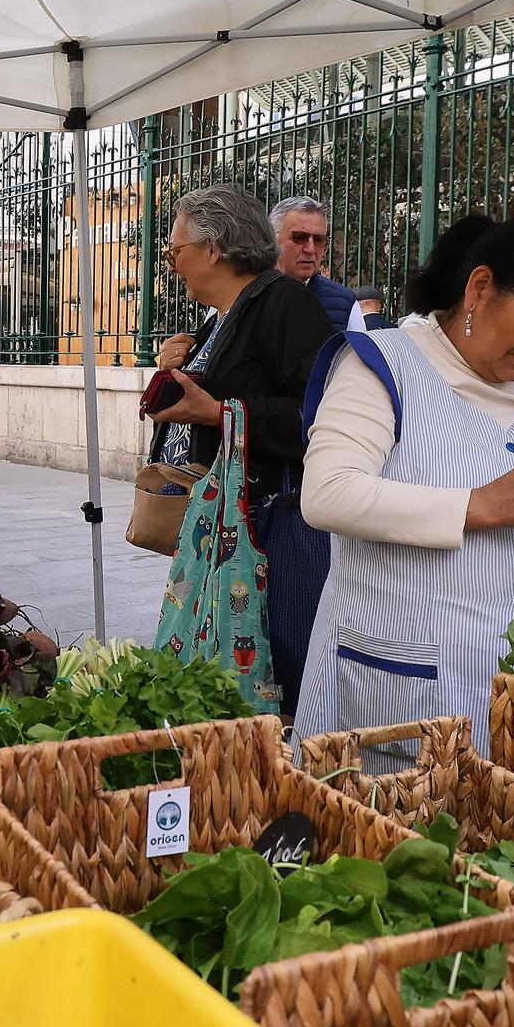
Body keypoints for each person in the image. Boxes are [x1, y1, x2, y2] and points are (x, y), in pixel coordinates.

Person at [295, 213, 514, 759]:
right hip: (395, 685)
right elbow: (328, 493)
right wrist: (480, 504)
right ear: (480, 288)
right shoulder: (383, 366)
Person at [149, 185, 335, 701]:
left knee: (280, 668)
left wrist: (219, 412)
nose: (171, 263)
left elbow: (320, 416)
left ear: (213, 250)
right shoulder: (223, 317)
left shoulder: (284, 305)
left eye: (175, 250)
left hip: (272, 528)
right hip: (231, 525)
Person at [270, 196, 362, 330]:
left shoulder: (344, 303)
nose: (310, 249)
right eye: (299, 238)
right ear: (273, 239)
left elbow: (358, 350)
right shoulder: (245, 292)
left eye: (319, 240)